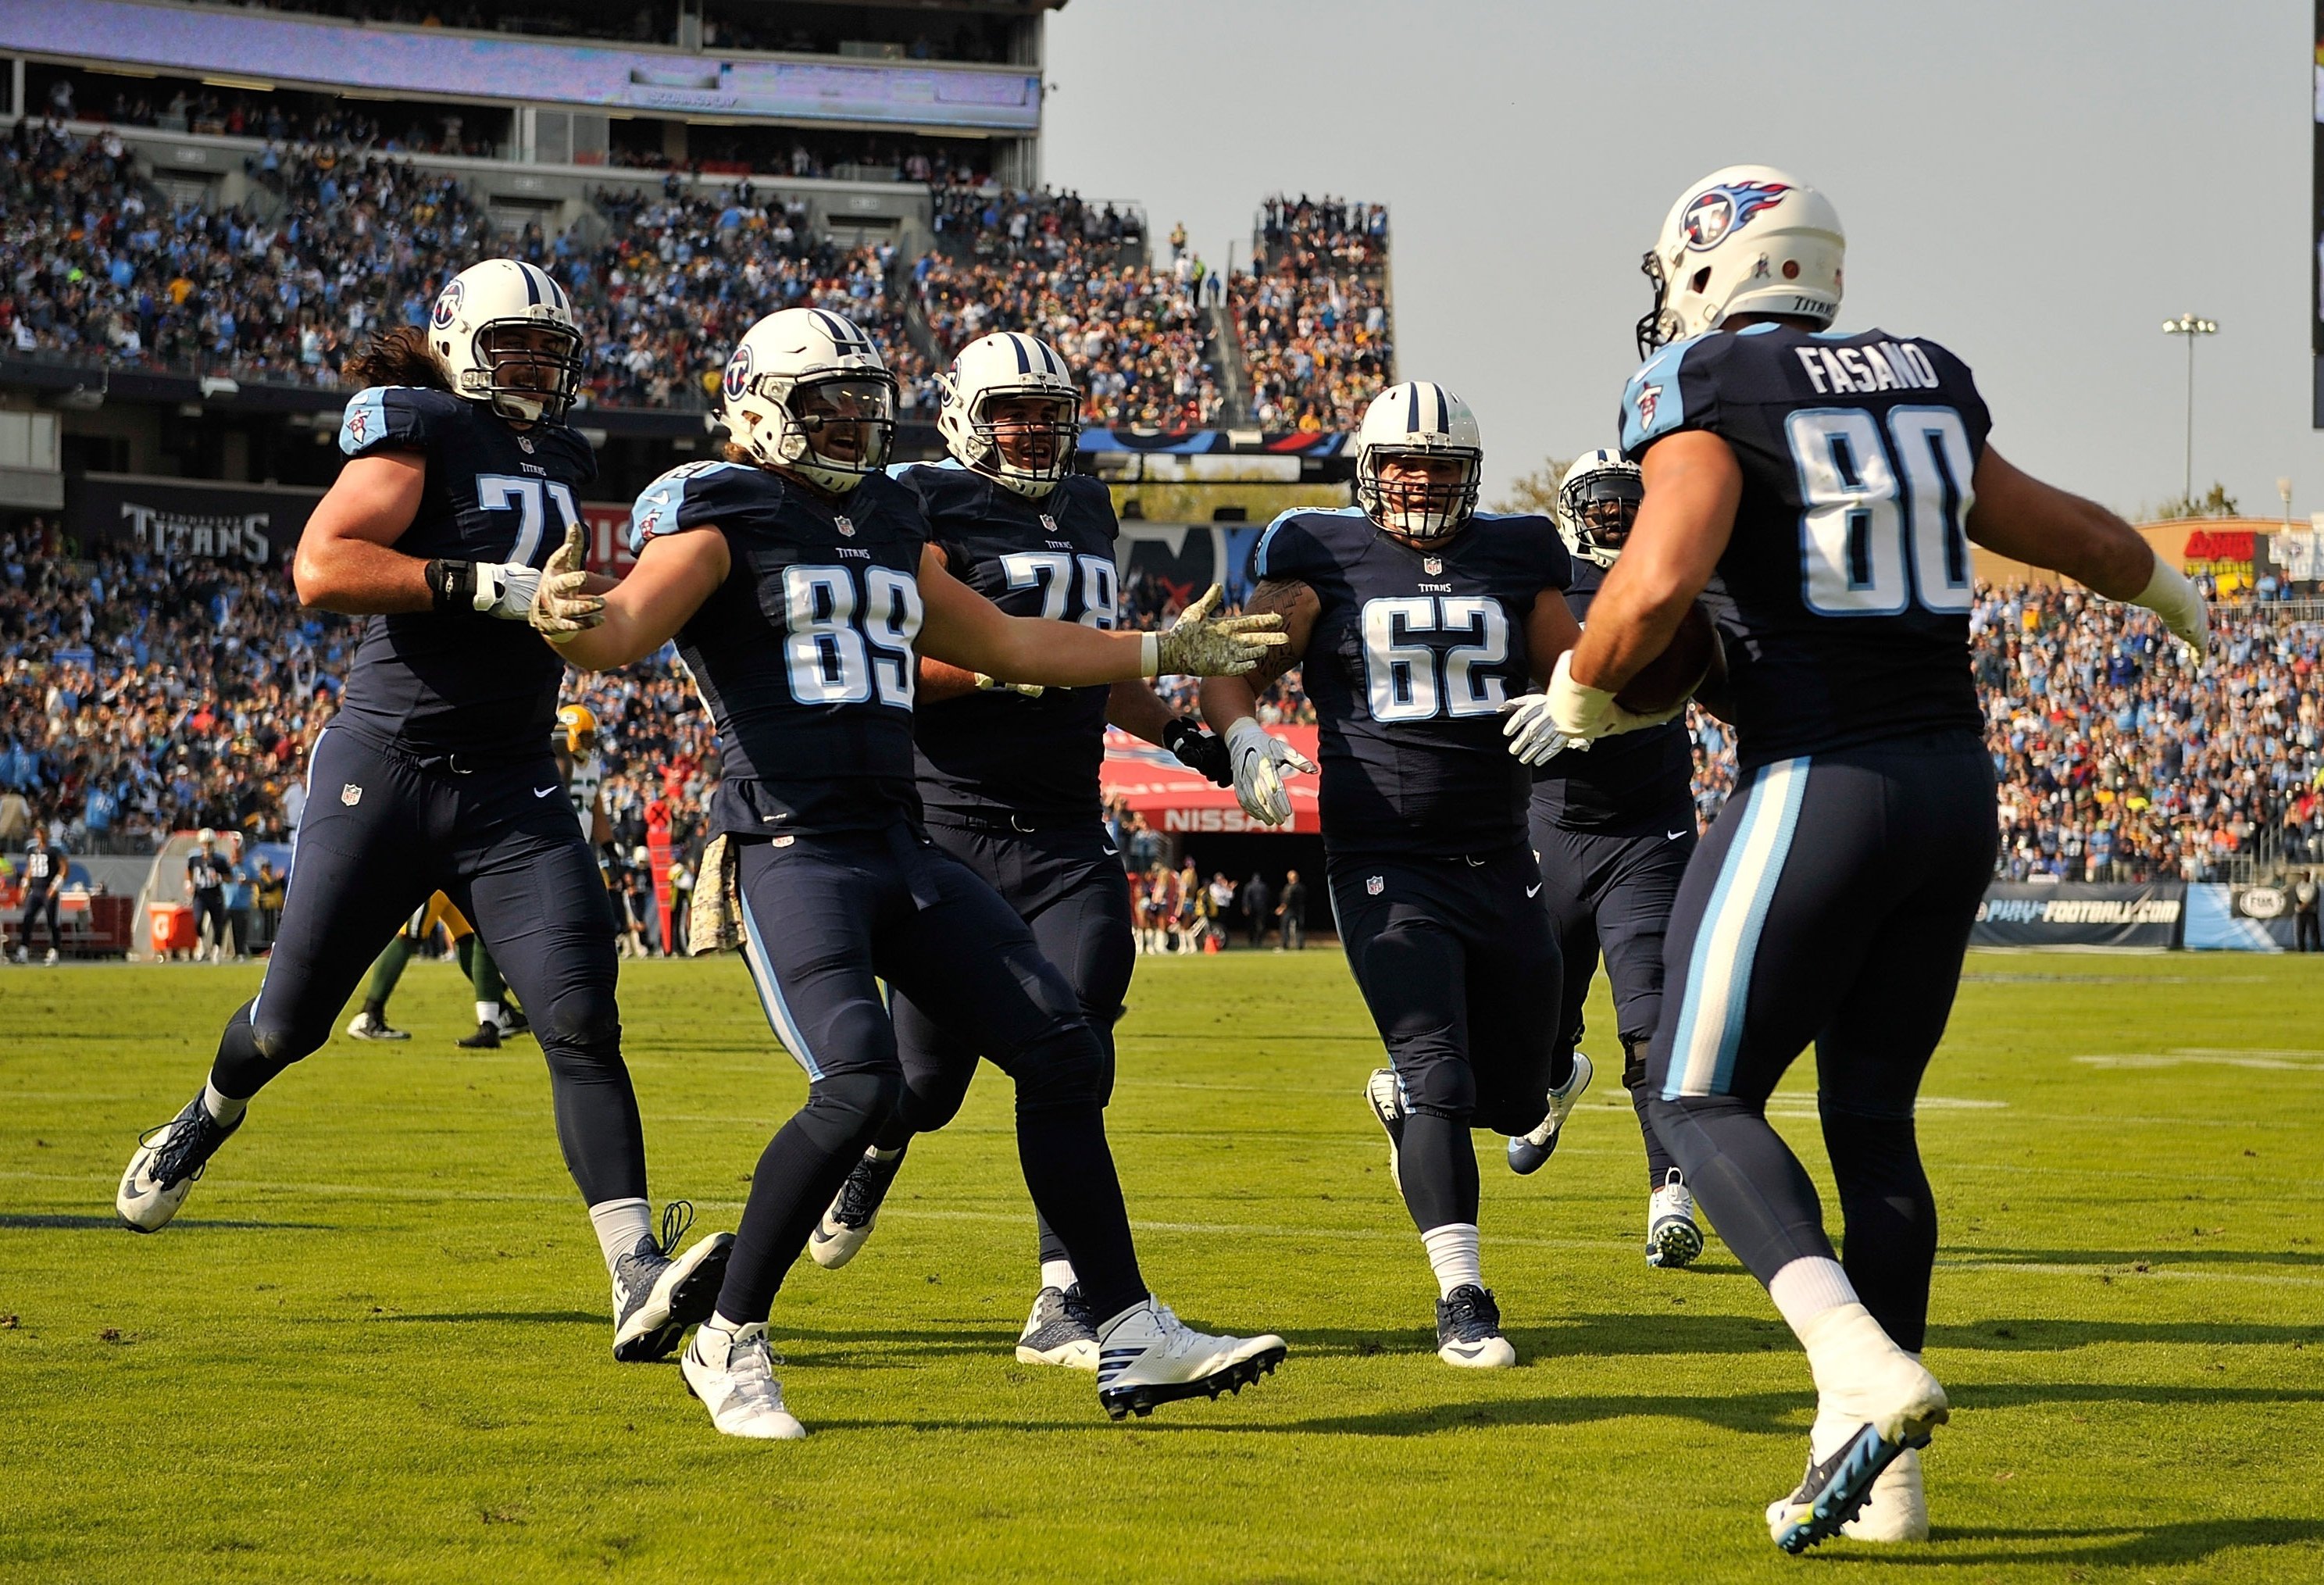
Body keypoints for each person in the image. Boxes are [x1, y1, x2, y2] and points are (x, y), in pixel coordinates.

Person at [1543, 165, 2210, 1552]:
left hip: (1818, 777)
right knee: (1874, 1122)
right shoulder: (1924, 375)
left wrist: (1583, 686)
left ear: (1715, 263)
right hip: (1952, 786)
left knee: (1698, 1092)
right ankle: (1880, 1475)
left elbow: (1656, 587)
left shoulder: (1710, 385)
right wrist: (2169, 591)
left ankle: (1854, 1358)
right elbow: (2083, 537)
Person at [544, 306, 1288, 1439]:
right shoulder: (724, 506)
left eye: (860, 399)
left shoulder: (892, 510)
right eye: (824, 403)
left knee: (1061, 1050)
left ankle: (1123, 1326)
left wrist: (1161, 653)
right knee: (862, 1088)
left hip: (898, 840)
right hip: (793, 846)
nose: (850, 420)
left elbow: (1008, 643)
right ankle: (726, 1337)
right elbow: (618, 633)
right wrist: (560, 621)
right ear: (758, 407)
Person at [115, 259, 732, 1370]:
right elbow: (322, 565)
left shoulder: (568, 453)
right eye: (516, 346)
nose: (539, 367)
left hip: (511, 778)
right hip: (386, 766)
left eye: (553, 348)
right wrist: (493, 587)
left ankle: (635, 1270)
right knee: (288, 1023)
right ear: (455, 344)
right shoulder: (420, 428)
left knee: (582, 1014)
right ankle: (208, 1112)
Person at [796, 330, 1251, 1373]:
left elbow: (1093, 662)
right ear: (963, 413)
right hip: (948, 826)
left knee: (1076, 1042)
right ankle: (876, 1150)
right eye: (1015, 411)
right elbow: (894, 662)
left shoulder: (1086, 506)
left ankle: (1062, 1294)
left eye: (1052, 410)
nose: (1038, 430)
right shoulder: (919, 501)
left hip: (1062, 834)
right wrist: (1005, 671)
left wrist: (1184, 737)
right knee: (925, 1082)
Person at [1201, 380, 1586, 1371]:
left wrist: (1578, 699)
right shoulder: (1318, 551)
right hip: (1382, 857)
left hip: (1500, 855)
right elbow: (1232, 660)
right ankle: (1463, 1297)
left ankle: (1453, 1095)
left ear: (1471, 475)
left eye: (1439, 466)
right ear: (1368, 473)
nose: (1419, 483)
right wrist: (1241, 727)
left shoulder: (1516, 552)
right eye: (1402, 464)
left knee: (1513, 1096)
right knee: (1440, 1075)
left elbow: (1580, 658)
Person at [1505, 449, 1705, 1269]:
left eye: (1630, 501)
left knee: (1650, 1023)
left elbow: (1680, 686)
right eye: (1603, 502)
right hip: (1549, 828)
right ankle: (1555, 1076)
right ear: (1569, 511)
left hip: (1645, 838)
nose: (1617, 515)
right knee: (1537, 1019)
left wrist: (1587, 705)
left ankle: (1671, 1191)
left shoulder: (1666, 584)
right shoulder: (1535, 590)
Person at [185, 829, 234, 962]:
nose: (207, 846)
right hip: (200, 894)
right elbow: (189, 870)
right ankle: (200, 942)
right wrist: (188, 883)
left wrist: (219, 877)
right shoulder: (194, 857)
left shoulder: (220, 859)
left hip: (215, 894)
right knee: (197, 920)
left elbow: (230, 878)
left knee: (218, 924)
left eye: (209, 843)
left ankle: (216, 949)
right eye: (205, 843)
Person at [15, 826, 62, 964]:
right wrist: (24, 885)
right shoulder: (32, 850)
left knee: (52, 921)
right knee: (28, 919)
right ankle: (23, 950)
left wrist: (55, 886)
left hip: (48, 890)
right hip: (35, 890)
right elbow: (30, 868)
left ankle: (54, 951)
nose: (40, 835)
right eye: (38, 832)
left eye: (43, 832)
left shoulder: (54, 851)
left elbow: (64, 868)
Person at [1275, 867, 1308, 951]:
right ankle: (1300, 945)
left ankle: (1284, 944)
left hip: (1289, 910)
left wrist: (1281, 908)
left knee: (1285, 927)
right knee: (1299, 928)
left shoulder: (1289, 888)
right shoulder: (1302, 887)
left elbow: (1287, 899)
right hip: (1300, 909)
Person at [1242, 869, 1272, 949]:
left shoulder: (1249, 886)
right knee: (1261, 925)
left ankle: (1252, 941)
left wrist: (1245, 907)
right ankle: (1259, 941)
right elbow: (1268, 898)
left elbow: (1246, 898)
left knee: (1251, 925)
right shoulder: (1264, 886)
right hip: (1262, 908)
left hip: (1252, 909)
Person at [2297, 869, 2321, 953]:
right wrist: (2301, 905)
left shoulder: (2314, 886)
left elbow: (2315, 897)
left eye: (2307, 875)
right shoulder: (2299, 886)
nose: (2305, 877)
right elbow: (2297, 897)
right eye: (2304, 875)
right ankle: (2301, 948)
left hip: (2311, 911)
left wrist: (2307, 904)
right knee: (2301, 931)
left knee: (2314, 930)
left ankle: (2316, 947)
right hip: (2301, 911)